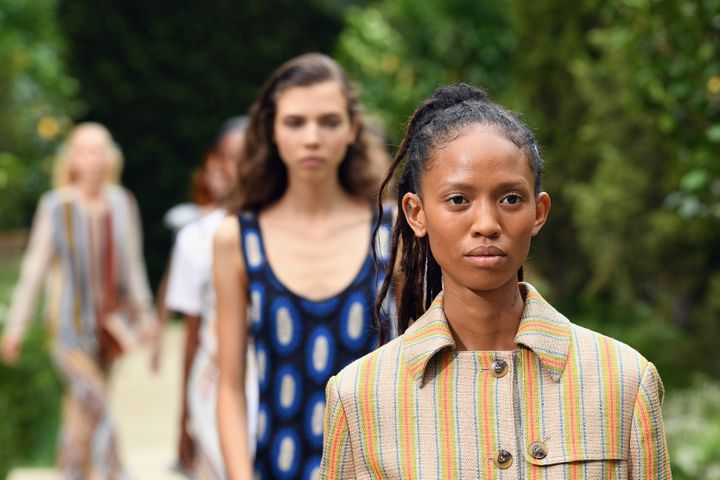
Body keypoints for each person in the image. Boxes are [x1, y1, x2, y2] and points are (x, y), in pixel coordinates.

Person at [319, 84, 672, 478]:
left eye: (510, 199)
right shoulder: (361, 396)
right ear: (416, 213)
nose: (486, 225)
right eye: (458, 200)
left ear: (539, 212)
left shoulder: (622, 380)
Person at [213, 53, 392, 480]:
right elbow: (230, 386)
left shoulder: (393, 232)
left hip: (376, 468)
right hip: (277, 464)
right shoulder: (237, 239)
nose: (312, 137)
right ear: (271, 131)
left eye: (329, 121)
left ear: (352, 130)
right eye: (295, 122)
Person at [0, 122, 156, 479]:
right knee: (97, 400)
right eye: (86, 150)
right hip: (67, 329)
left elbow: (133, 264)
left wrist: (145, 316)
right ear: (72, 157)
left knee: (80, 413)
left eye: (100, 150)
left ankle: (71, 473)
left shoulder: (122, 203)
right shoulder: (56, 206)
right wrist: (16, 328)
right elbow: (34, 270)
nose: (94, 159)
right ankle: (117, 472)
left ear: (111, 156)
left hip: (108, 329)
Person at [165, 116, 258, 479]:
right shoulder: (196, 239)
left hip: (275, 378)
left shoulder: (294, 231)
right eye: (236, 158)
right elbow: (191, 334)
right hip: (214, 381)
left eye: (256, 155)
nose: (247, 167)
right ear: (217, 164)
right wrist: (181, 422)